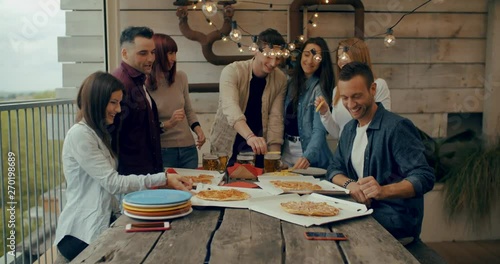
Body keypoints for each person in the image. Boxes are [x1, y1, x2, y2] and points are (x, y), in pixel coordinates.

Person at [54, 72, 192, 262]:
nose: (118, 109)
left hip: (98, 228)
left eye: (119, 103)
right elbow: (113, 183)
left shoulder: (98, 133)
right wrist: (164, 178)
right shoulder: (80, 135)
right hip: (79, 235)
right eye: (113, 102)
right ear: (96, 101)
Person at [327, 62, 434, 242]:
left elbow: (424, 176)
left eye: (357, 96)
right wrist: (351, 185)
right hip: (363, 213)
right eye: (344, 98)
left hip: (394, 222)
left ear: (373, 89)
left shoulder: (397, 127)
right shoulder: (349, 130)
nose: (350, 104)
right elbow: (333, 169)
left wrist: (382, 191)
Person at [209, 28, 288, 168]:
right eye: (269, 56)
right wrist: (250, 137)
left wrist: (274, 158)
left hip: (259, 147)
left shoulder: (280, 79)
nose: (273, 63)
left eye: (278, 57)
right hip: (228, 144)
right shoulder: (232, 71)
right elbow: (230, 108)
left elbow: (276, 119)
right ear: (256, 50)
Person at [148, 33, 206, 169]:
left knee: (193, 188)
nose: (174, 58)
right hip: (164, 151)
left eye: (175, 53)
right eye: (170, 53)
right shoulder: (144, 86)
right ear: (158, 54)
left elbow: (188, 110)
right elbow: (147, 127)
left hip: (189, 149)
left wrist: (198, 130)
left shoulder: (180, 77)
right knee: (169, 189)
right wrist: (170, 123)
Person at [315, 37, 391, 139]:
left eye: (344, 56)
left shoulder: (378, 85)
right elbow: (338, 133)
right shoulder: (337, 91)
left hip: (370, 150)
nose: (340, 62)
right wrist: (325, 113)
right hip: (345, 152)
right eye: (338, 57)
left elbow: (383, 124)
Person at [111, 26, 163, 175]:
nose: (151, 59)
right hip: (132, 179)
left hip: (144, 177)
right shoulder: (120, 84)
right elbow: (112, 136)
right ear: (125, 53)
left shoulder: (138, 80)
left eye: (153, 52)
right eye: (143, 53)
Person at [281, 37, 333, 169]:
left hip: (307, 155)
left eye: (316, 57)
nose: (309, 61)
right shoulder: (291, 83)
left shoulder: (319, 89)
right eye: (306, 54)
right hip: (286, 151)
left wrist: (308, 156)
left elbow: (319, 130)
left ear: (322, 61)